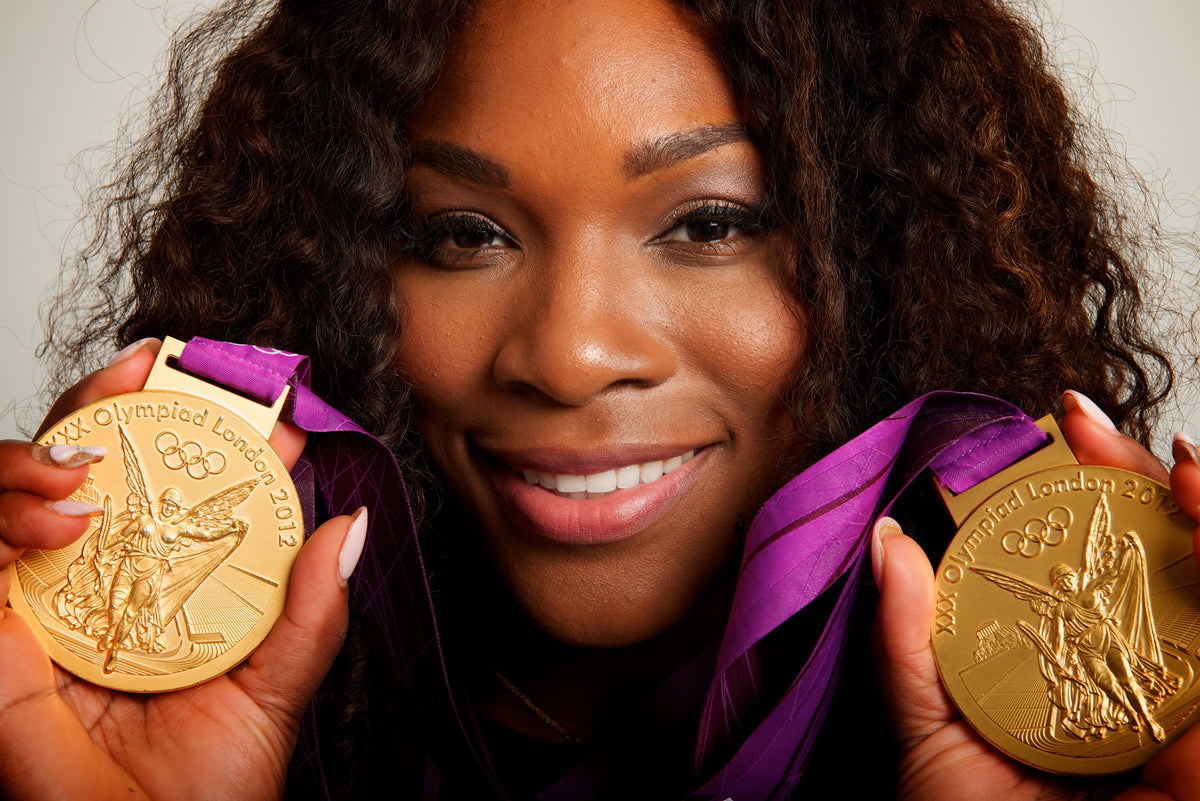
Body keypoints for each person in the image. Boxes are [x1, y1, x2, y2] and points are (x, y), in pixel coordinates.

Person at [2, 0, 1199, 798]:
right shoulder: (219, 734)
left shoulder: (1073, 752)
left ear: (893, 257)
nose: (569, 357)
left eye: (710, 224)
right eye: (463, 234)